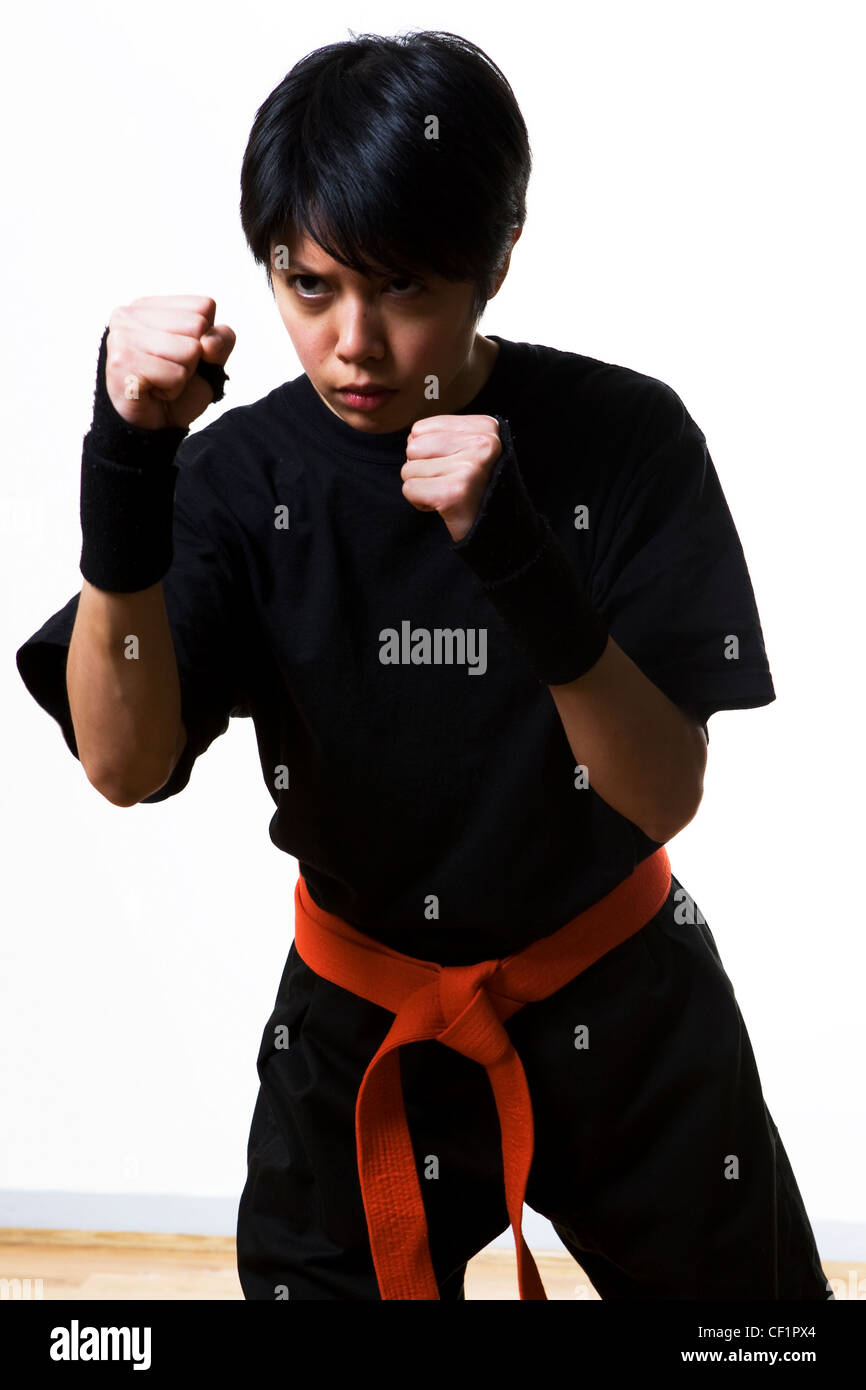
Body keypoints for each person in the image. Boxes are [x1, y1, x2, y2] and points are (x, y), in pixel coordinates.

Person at [15, 29, 831, 1301]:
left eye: (400, 290)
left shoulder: (625, 437)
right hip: (360, 1013)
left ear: (495, 259)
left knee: (759, 1336)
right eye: (311, 286)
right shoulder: (241, 477)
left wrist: (516, 556)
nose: (352, 341)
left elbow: (660, 792)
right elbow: (123, 764)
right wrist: (123, 467)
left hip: (620, 998)